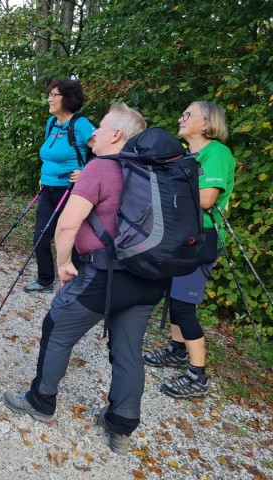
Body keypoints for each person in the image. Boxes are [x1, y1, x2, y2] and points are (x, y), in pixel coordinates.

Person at [2, 104, 168, 455]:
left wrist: (63, 263)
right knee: (127, 350)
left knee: (57, 329)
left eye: (101, 126)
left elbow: (66, 224)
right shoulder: (152, 171)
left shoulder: (101, 168)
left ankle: (41, 401)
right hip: (149, 278)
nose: (93, 132)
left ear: (117, 135)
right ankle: (121, 426)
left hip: (104, 275)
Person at [144, 101, 235, 399]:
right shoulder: (186, 154)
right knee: (173, 296)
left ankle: (198, 375)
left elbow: (207, 198)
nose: (180, 119)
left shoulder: (217, 153)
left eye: (188, 115)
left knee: (184, 305)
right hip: (181, 235)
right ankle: (176, 349)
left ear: (207, 124)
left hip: (202, 238)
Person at [23, 79, 96, 292]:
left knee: (69, 238)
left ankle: (74, 283)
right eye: (50, 94)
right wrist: (43, 175)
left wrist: (85, 172)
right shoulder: (51, 123)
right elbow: (49, 156)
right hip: (48, 188)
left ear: (68, 99)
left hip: (71, 191)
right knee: (40, 237)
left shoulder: (80, 124)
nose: (49, 98)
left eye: (54, 95)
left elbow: (104, 150)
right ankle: (45, 280)